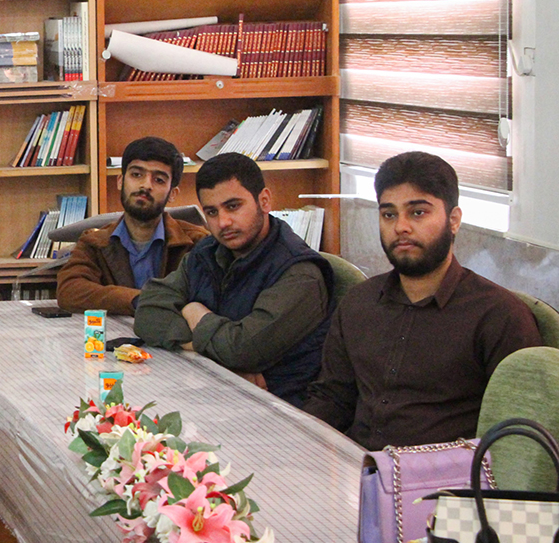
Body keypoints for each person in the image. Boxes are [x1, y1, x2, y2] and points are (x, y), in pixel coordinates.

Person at [304, 153, 541, 448]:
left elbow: (520, 441)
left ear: (453, 220)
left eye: (417, 213)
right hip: (355, 467)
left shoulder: (499, 316)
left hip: (446, 474)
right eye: (389, 215)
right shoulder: (359, 302)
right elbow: (332, 398)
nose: (401, 227)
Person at [134, 153, 333, 406]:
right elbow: (147, 311)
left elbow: (243, 350)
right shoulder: (208, 252)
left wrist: (195, 312)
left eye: (233, 206)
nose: (223, 222)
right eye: (211, 212)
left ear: (264, 201)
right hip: (215, 393)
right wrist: (215, 352)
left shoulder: (300, 274)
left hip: (276, 409)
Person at [56, 137, 208, 314]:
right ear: (120, 181)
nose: (146, 185)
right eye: (137, 175)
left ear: (172, 193)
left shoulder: (197, 243)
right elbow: (69, 291)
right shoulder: (95, 242)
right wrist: (140, 300)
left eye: (159, 180)